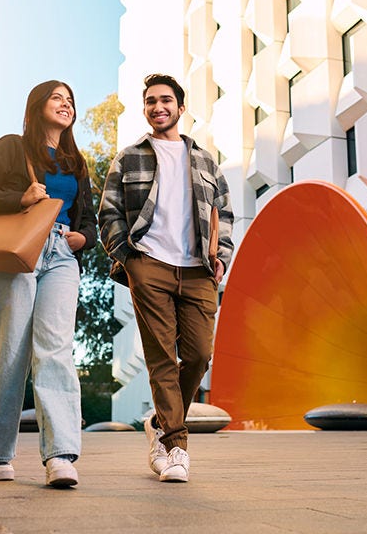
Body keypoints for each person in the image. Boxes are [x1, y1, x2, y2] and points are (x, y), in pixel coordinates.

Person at [0, 80, 97, 488]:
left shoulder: (77, 161)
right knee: (11, 352)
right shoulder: (11, 147)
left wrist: (83, 239)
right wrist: (20, 198)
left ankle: (60, 456)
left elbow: (87, 217)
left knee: (55, 350)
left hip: (61, 254)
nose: (66, 104)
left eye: (71, 100)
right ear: (38, 105)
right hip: (18, 252)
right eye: (57, 97)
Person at [99, 73, 233, 483]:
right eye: (151, 101)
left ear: (180, 107)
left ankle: (159, 422)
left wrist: (222, 257)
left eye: (165, 100)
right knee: (160, 359)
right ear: (146, 109)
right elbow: (108, 211)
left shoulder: (206, 161)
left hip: (198, 271)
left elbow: (223, 213)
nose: (158, 107)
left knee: (198, 355)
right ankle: (175, 447)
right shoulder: (129, 156)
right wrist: (129, 259)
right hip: (150, 265)